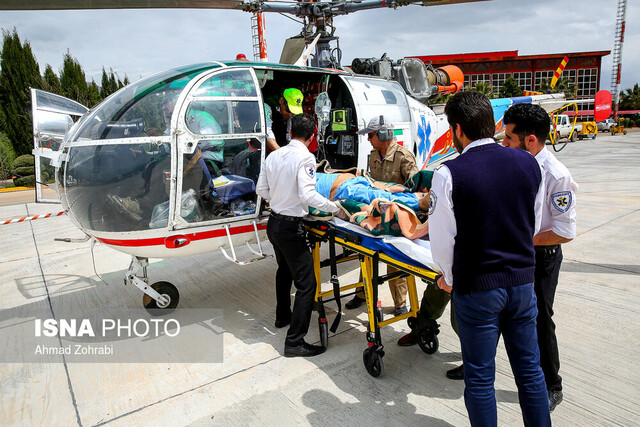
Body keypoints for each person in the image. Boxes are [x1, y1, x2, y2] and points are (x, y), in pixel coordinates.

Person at [430, 91, 550, 425]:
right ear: (491, 123)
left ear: (457, 130)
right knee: (530, 372)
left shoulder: (449, 173)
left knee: (481, 380)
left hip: (477, 288)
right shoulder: (529, 162)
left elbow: (442, 241)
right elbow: (534, 223)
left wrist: (448, 280)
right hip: (522, 283)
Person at [503, 103, 577, 412]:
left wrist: (524, 240)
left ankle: (552, 385)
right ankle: (477, 367)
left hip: (541, 257)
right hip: (512, 251)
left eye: (508, 138)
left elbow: (564, 231)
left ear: (530, 139)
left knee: (539, 320)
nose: (503, 144)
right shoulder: (513, 164)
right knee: (499, 309)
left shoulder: (556, 176)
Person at [256, 113, 340, 358]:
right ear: (313, 136)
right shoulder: (306, 157)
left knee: (284, 271)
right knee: (307, 284)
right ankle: (294, 341)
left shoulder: (274, 155)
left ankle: (283, 317)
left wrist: (280, 199)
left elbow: (261, 190)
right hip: (291, 228)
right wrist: (335, 207)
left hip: (274, 224)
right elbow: (308, 196)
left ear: (290, 133)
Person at [344, 115, 419, 316]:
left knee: (396, 263)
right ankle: (362, 294)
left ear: (384, 134)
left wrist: (391, 190)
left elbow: (415, 187)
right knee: (366, 254)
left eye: (371, 135)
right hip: (375, 215)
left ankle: (400, 303)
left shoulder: (404, 157)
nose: (369, 139)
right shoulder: (373, 156)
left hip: (395, 218)